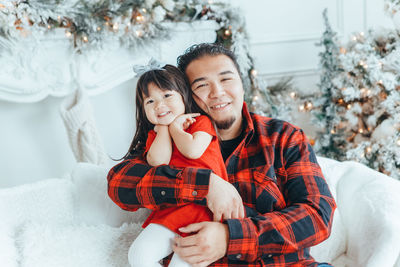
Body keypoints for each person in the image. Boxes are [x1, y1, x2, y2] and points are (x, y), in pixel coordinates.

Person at [108, 43, 337, 267]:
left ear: (242, 84)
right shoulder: (167, 138)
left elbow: (317, 215)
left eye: (226, 79)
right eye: (202, 85)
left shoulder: (282, 137)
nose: (218, 93)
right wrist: (204, 184)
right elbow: (120, 183)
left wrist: (230, 238)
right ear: (185, 95)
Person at [125, 61, 231, 267]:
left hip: (205, 210)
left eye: (166, 95)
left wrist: (175, 128)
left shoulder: (201, 122)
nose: (159, 105)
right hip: (173, 210)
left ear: (184, 95)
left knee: (182, 263)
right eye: (150, 102)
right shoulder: (155, 134)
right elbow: (158, 161)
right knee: (138, 256)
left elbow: (192, 150)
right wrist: (164, 129)